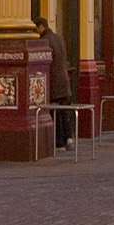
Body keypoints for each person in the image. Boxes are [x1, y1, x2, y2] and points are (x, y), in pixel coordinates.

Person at [35, 15, 73, 151]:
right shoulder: (59, 38)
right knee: (64, 112)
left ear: (41, 27)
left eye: (36, 30)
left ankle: (59, 143)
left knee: (56, 113)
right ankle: (69, 138)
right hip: (64, 81)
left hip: (54, 83)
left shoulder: (44, 41)